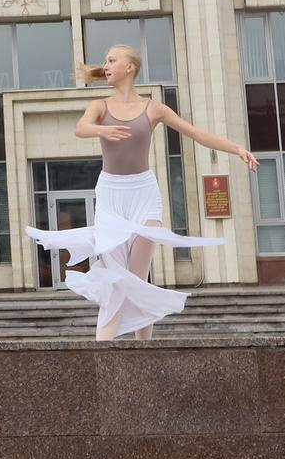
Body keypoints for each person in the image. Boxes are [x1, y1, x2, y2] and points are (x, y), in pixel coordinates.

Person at [25, 44, 257, 342]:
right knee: (118, 282)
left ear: (129, 67)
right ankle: (104, 352)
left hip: (144, 195)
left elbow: (197, 134)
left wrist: (237, 148)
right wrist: (101, 131)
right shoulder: (100, 106)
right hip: (111, 195)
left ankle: (143, 349)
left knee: (136, 278)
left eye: (112, 60)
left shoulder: (153, 108)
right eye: (105, 61)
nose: (105, 65)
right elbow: (81, 128)